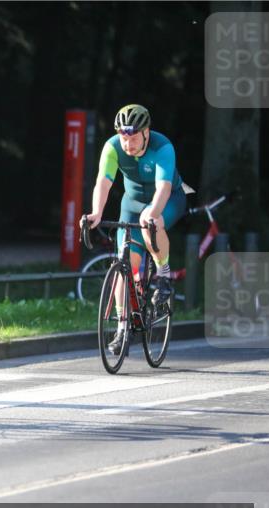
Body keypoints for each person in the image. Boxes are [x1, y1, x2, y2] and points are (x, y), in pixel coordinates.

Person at [81, 103, 188, 353]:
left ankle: (163, 274)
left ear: (146, 132)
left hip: (169, 198)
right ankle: (122, 328)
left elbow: (163, 189)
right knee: (124, 264)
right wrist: (96, 212)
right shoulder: (112, 147)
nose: (127, 145)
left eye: (133, 138)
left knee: (150, 221)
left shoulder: (162, 147)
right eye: (123, 138)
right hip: (131, 202)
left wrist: (153, 212)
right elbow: (103, 183)